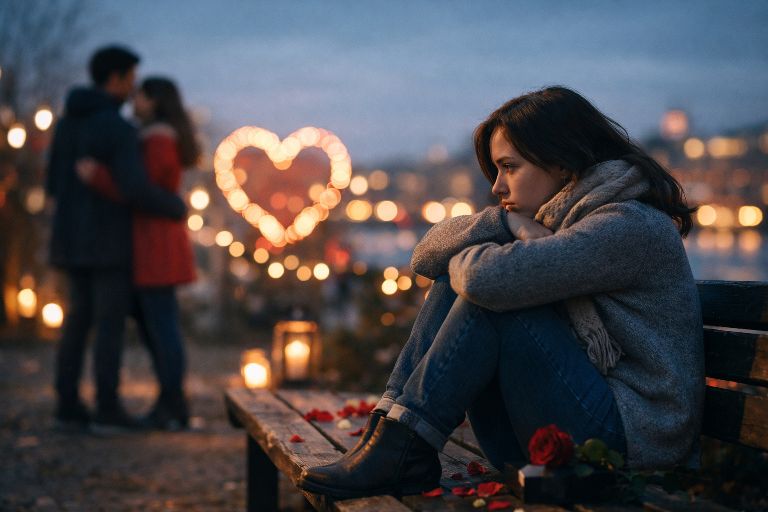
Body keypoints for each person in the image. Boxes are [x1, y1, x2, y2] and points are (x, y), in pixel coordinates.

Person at [298, 86, 704, 498]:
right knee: (454, 282)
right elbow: (425, 257)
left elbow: (483, 282)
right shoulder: (559, 221)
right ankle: (392, 435)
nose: (496, 186)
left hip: (627, 443)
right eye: (496, 170)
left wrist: (480, 254)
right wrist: (505, 225)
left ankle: (402, 449)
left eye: (509, 167)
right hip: (554, 429)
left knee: (493, 299)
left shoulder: (627, 225)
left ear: (562, 163)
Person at [45, 46, 187, 430]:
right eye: (130, 79)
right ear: (115, 79)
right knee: (108, 326)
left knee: (76, 321)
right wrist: (174, 206)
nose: (132, 88)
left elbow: (53, 184)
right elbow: (135, 188)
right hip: (110, 243)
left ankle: (67, 405)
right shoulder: (118, 130)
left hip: (69, 239)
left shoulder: (66, 125)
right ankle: (107, 407)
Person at [76, 77, 199, 430]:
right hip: (159, 240)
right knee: (160, 328)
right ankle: (172, 404)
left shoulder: (157, 138)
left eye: (141, 95)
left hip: (154, 243)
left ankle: (173, 405)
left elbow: (138, 189)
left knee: (162, 329)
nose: (135, 100)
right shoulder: (164, 135)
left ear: (155, 101)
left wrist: (98, 176)